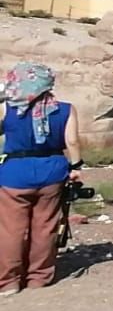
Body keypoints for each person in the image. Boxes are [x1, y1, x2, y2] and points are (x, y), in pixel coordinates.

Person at [0, 63, 84, 295]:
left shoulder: (7, 108)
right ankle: (39, 277)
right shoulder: (66, 109)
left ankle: (8, 282)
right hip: (52, 172)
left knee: (10, 230)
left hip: (14, 175)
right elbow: (72, 142)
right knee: (45, 227)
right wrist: (76, 167)